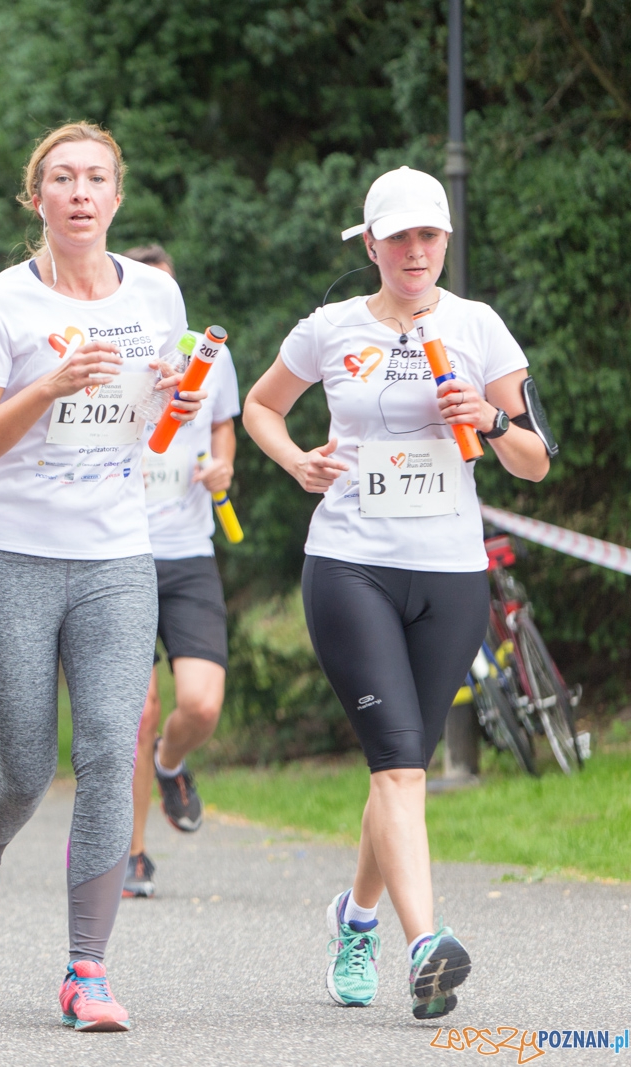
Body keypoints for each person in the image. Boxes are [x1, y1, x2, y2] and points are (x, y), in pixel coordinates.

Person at [242, 166, 550, 1019]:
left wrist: (490, 420)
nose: (417, 251)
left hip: (450, 571)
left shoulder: (479, 327)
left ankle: (356, 916)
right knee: (400, 764)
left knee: (398, 769)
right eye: (400, 237)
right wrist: (297, 458)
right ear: (370, 244)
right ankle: (426, 944)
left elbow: (534, 457)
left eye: (431, 236)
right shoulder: (330, 329)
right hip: (351, 563)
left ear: (446, 241)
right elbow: (260, 408)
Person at [0, 124, 205, 1033]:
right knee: (23, 770)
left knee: (105, 750)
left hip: (117, 555)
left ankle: (86, 969)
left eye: (96, 178)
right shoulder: (1, 304)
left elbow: (151, 428)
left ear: (117, 199)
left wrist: (179, 401)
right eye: (62, 178)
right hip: (8, 554)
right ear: (36, 198)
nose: (81, 192)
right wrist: (47, 387)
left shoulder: (157, 295)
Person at [116, 245, 242, 899]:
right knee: (136, 712)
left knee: (200, 702)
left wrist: (222, 466)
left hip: (189, 551)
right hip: (119, 552)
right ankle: (131, 852)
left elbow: (224, 429)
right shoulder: (109, 353)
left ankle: (173, 763)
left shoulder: (210, 359)